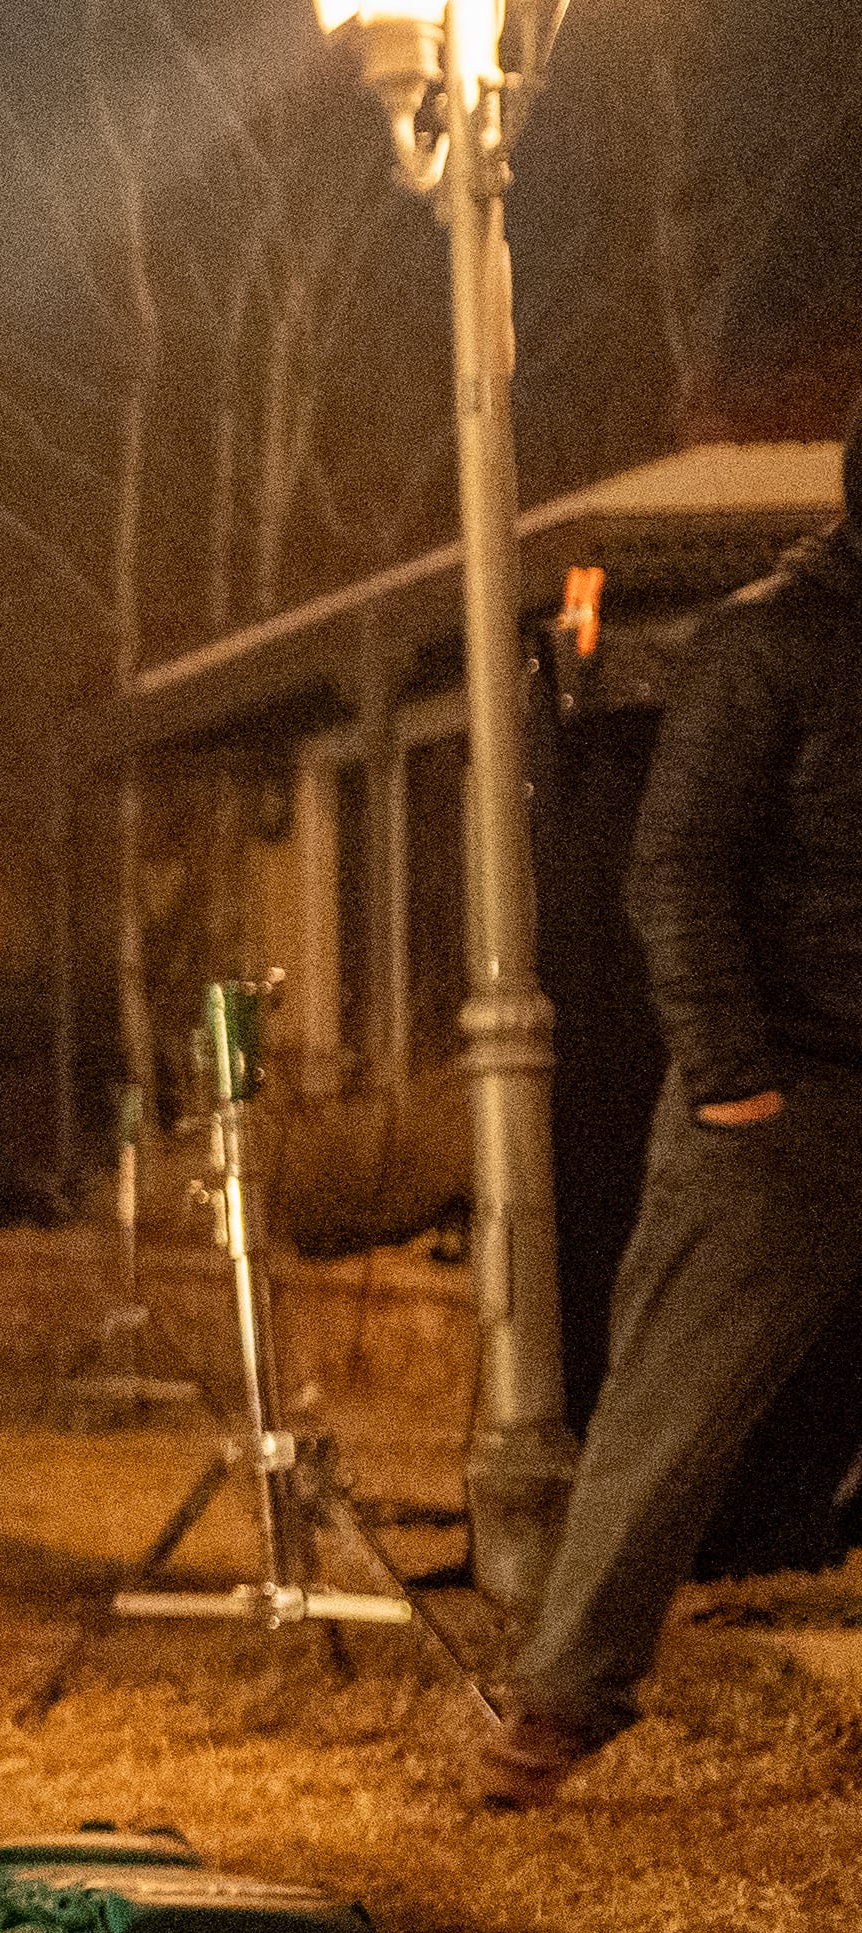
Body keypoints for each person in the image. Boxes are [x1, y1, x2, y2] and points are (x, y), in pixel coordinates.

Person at [479, 410, 862, 1811]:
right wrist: (731, 1076)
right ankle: (556, 1709)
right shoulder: (769, 642)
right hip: (786, 1095)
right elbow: (676, 870)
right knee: (667, 1420)